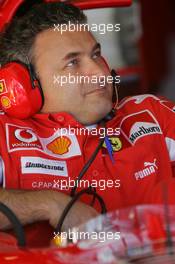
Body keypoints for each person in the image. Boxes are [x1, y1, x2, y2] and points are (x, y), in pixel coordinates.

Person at [0, 2, 175, 247]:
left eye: (95, 54)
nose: (99, 72)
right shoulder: (5, 136)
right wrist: (50, 204)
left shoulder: (152, 114)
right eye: (72, 62)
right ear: (25, 85)